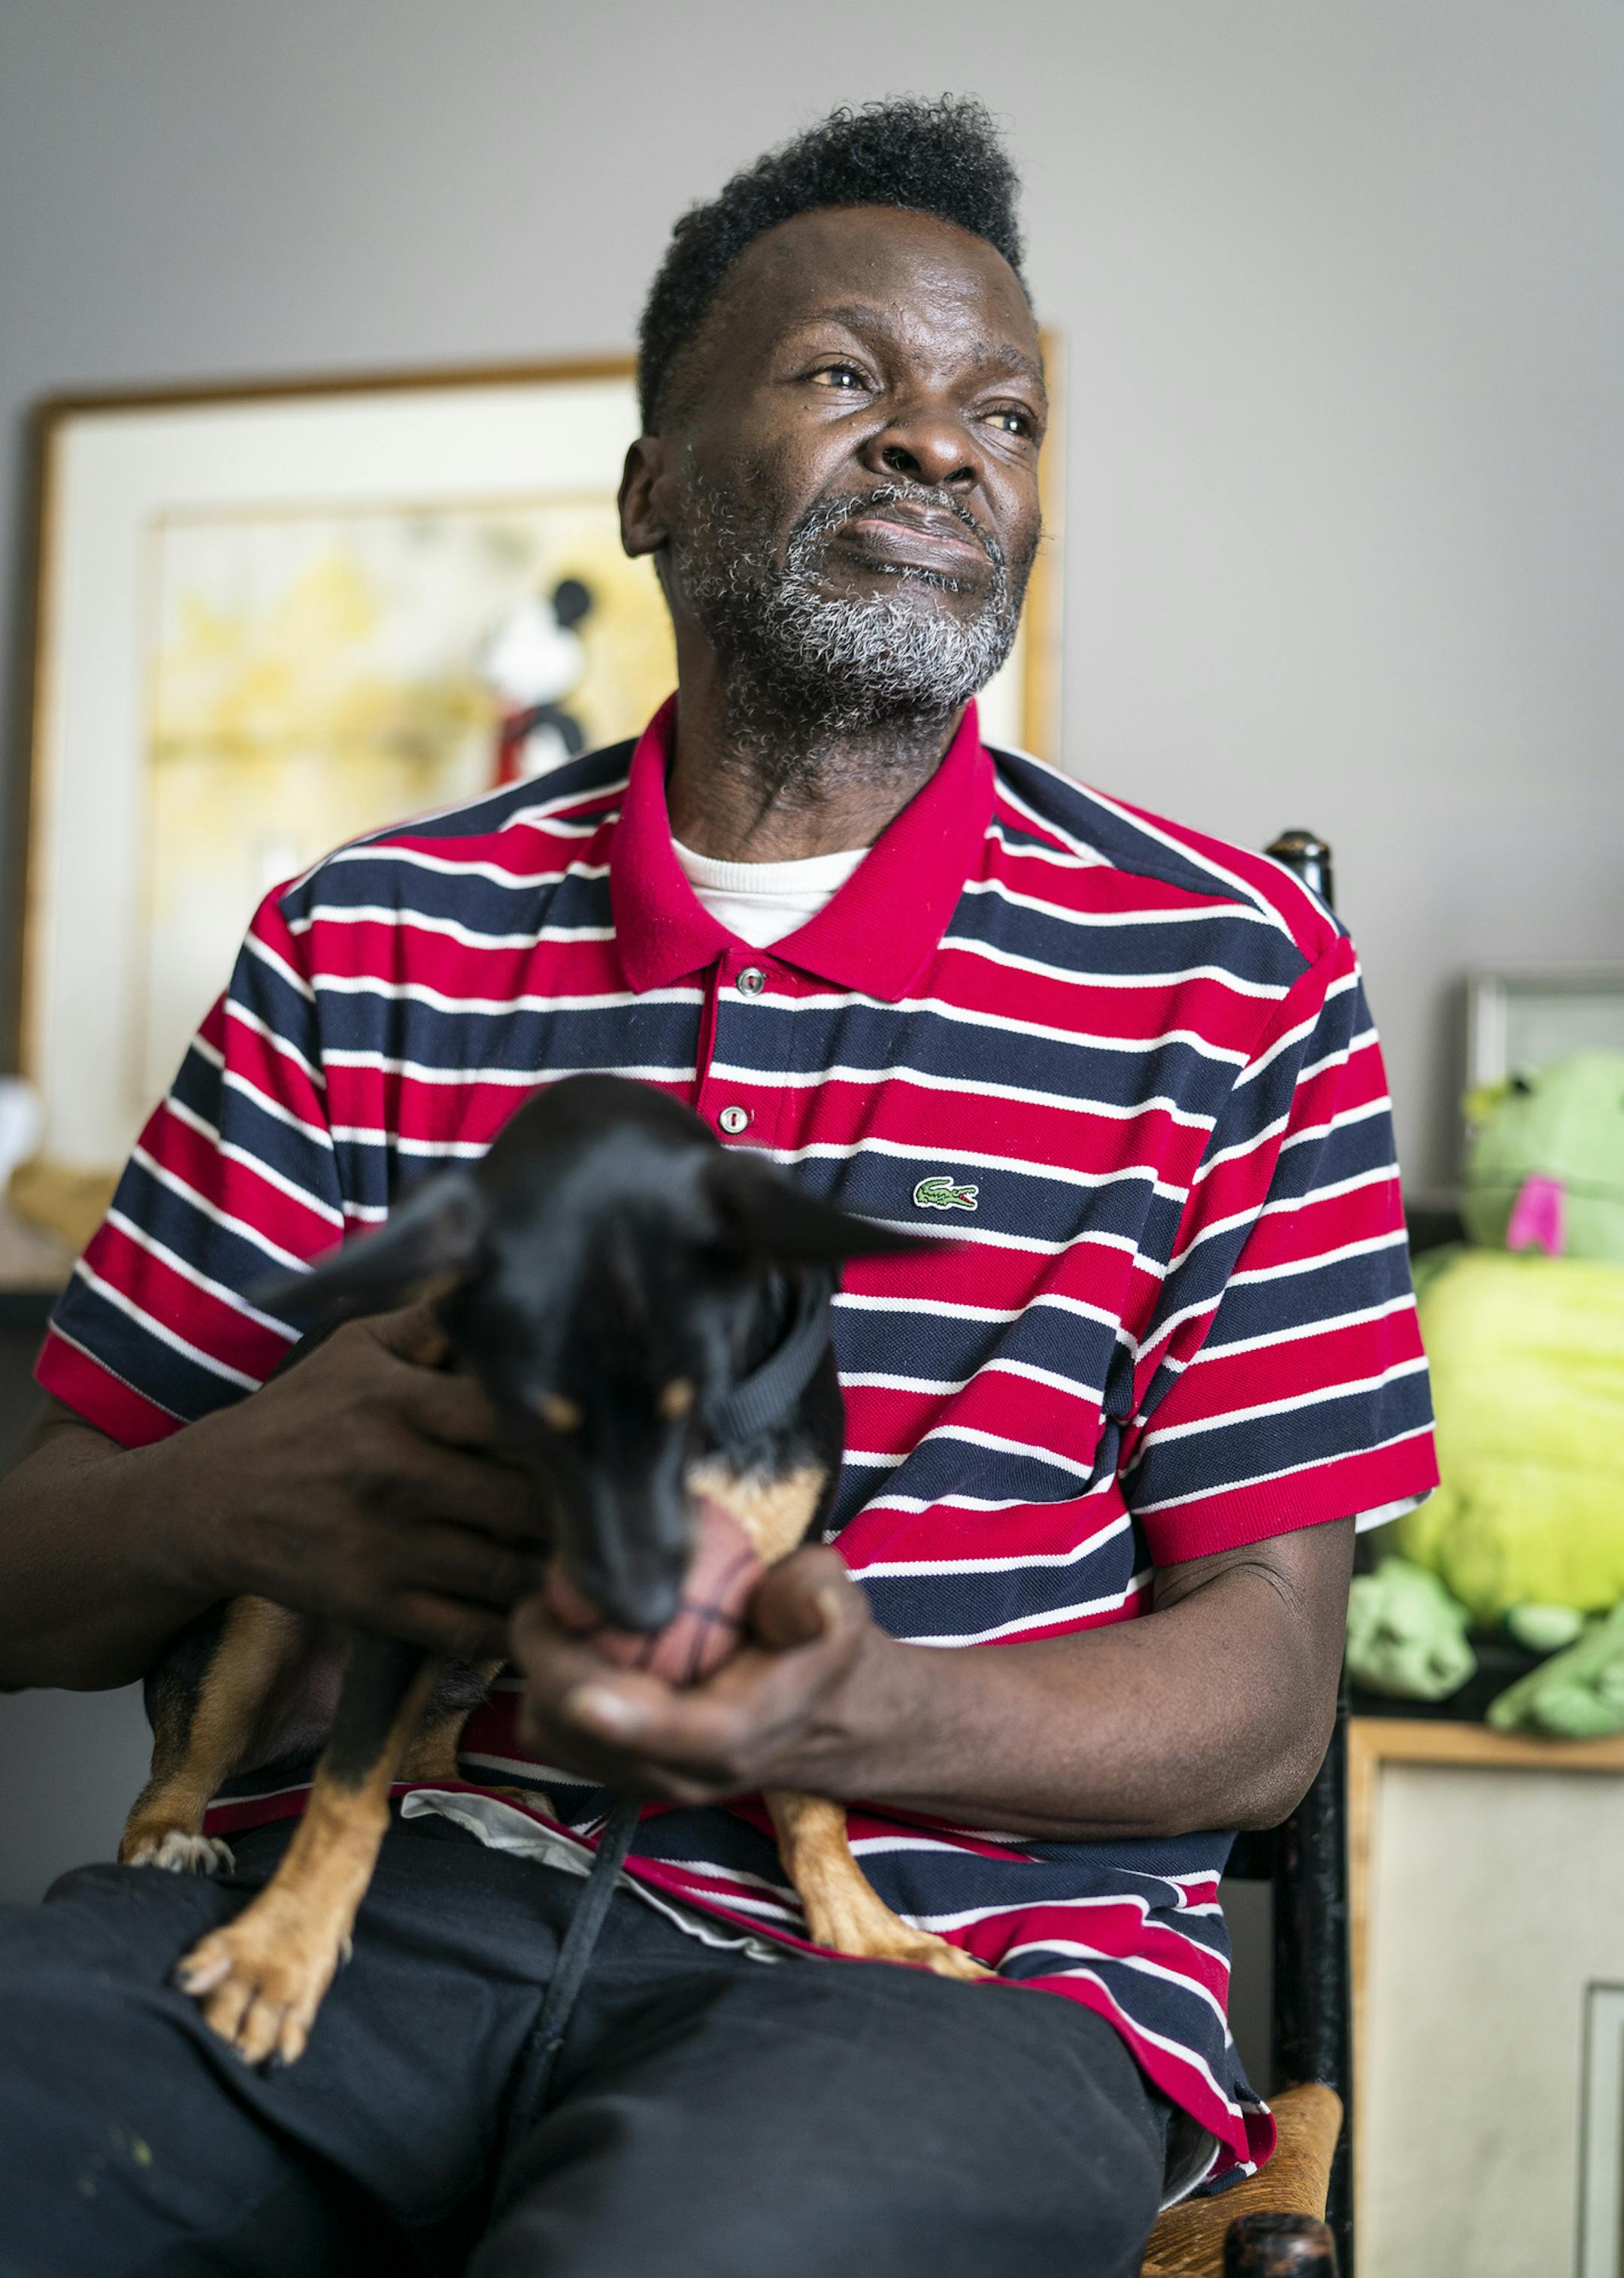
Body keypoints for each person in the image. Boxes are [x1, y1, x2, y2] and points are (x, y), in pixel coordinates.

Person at [0, 97, 1437, 2278]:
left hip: (943, 1976)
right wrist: (244, 1485)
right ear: (653, 486)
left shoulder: (1229, 971)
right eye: (851, 377)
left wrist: (860, 1711)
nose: (946, 445)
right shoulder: (360, 939)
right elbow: (34, 1573)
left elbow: (1264, 1700)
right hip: (359, 1911)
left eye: (1007, 411)